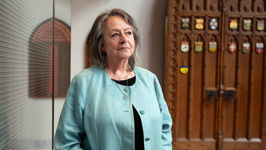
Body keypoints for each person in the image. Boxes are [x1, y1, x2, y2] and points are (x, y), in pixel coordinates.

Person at [55, 8, 172, 150]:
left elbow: (165, 128)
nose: (124, 39)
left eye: (128, 33)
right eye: (115, 35)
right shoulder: (83, 82)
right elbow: (66, 141)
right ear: (102, 45)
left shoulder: (150, 79)